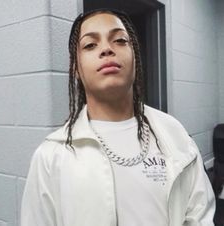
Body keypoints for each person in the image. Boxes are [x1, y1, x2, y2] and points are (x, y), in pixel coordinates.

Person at [21, 8, 215, 226]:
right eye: (90, 45)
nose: (106, 49)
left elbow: (200, 215)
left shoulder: (174, 134)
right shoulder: (51, 155)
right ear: (76, 68)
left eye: (120, 40)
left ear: (134, 57)